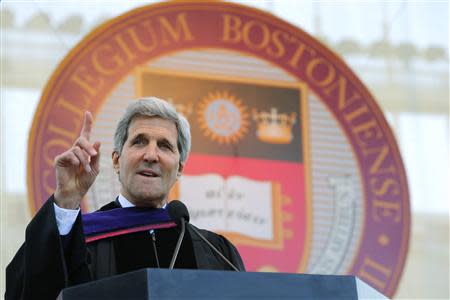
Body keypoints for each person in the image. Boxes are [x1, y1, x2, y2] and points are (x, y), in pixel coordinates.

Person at [5, 97, 245, 300]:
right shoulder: (82, 239)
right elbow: (24, 293)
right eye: (139, 141)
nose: (151, 155)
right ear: (117, 161)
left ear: (179, 167)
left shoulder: (217, 252)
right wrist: (66, 199)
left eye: (164, 146)